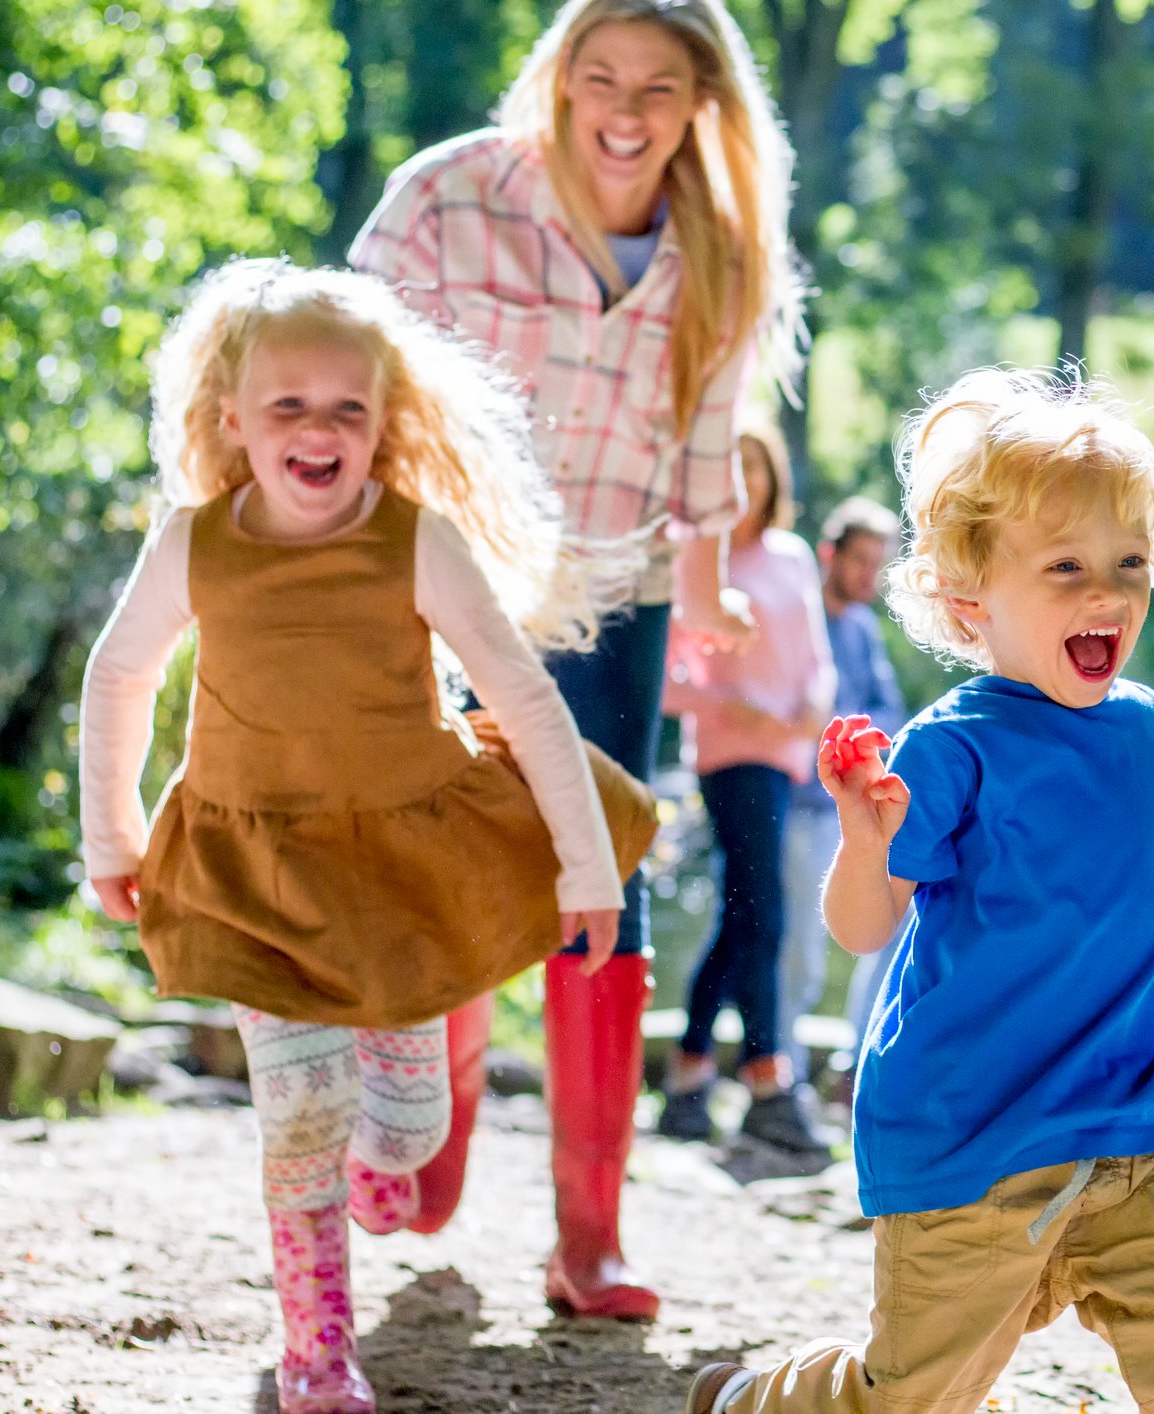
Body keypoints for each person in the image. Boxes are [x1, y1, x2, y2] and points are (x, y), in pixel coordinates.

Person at [77, 262, 657, 1414]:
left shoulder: (414, 540)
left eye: (347, 406)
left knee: (396, 1142)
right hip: (255, 872)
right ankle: (317, 1353)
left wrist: (589, 868)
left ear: (384, 423)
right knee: (295, 1112)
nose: (318, 429)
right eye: (287, 404)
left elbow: (527, 698)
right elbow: (118, 678)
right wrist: (114, 835)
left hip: (399, 876)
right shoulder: (195, 541)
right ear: (230, 419)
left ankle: (379, 1167)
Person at [685, 369, 1154, 1414]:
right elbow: (863, 927)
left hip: (1129, 1123)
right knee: (910, 1397)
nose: (1107, 592)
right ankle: (758, 1402)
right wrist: (867, 841)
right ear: (970, 602)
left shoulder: (1143, 723)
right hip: (973, 1137)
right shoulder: (951, 748)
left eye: (1129, 563)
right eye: (1066, 567)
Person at [347, 0, 802, 1319]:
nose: (624, 108)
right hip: (445, 578)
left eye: (659, 86)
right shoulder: (448, 198)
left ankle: (587, 1237)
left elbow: (708, 443)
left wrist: (708, 588)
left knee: (600, 861)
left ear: (701, 101)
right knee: (446, 854)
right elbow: (346, 370)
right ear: (556, 76)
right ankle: (430, 1135)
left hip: (615, 589)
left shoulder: (721, 241)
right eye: (598, 75)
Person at [658, 428, 834, 1150]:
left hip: (786, 753)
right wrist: (725, 707)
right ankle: (767, 1080)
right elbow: (664, 682)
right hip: (731, 757)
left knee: (745, 916)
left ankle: (690, 1074)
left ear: (773, 477)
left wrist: (816, 710)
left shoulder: (790, 557)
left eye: (757, 465)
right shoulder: (697, 561)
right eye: (732, 466)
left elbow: (816, 658)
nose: (745, 480)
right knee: (763, 912)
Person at [775, 495, 907, 1086]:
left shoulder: (862, 630)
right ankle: (785, 1076)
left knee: (890, 932)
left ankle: (858, 1063)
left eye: (877, 564)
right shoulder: (797, 618)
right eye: (859, 560)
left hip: (855, 805)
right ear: (830, 553)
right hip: (799, 804)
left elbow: (888, 709)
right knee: (798, 951)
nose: (867, 576)